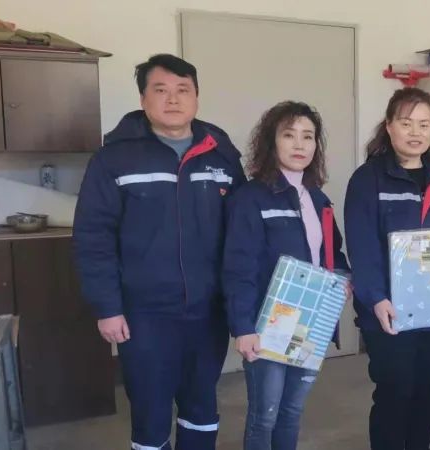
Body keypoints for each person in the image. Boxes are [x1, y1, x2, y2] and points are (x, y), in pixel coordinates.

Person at [73, 54, 244, 450]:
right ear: (143, 99)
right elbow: (93, 237)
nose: (173, 99)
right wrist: (107, 307)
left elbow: (241, 237)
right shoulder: (114, 159)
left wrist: (241, 307)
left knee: (202, 406)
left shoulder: (222, 157)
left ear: (196, 97)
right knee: (150, 412)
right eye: (161, 90)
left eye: (183, 90)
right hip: (144, 314)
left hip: (209, 311)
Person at [344, 87, 430, 450]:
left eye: (424, 124)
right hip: (388, 312)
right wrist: (376, 298)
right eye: (406, 123)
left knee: (427, 388)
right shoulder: (368, 180)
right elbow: (362, 245)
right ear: (389, 126)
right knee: (394, 390)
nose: (415, 132)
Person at [222, 101, 351, 450]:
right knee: (264, 416)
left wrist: (342, 277)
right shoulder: (251, 198)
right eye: (289, 135)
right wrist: (243, 327)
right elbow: (239, 266)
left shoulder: (319, 200)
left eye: (308, 136)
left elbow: (332, 253)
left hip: (310, 322)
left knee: (292, 411)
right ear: (272, 141)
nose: (299, 144)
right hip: (268, 325)